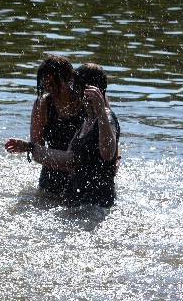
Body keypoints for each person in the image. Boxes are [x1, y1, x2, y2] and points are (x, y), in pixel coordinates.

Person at [8, 64, 120, 207]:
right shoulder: (87, 119)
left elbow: (108, 153)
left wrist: (101, 112)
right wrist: (30, 147)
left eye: (76, 87)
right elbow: (70, 158)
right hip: (75, 197)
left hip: (96, 203)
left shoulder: (106, 117)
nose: (49, 89)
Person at [4, 54, 83, 195]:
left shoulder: (85, 103)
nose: (49, 90)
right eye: (44, 85)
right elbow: (37, 152)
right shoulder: (42, 104)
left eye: (53, 84)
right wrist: (28, 147)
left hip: (82, 178)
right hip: (51, 178)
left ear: (69, 78)